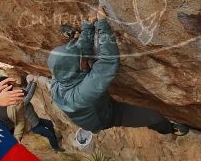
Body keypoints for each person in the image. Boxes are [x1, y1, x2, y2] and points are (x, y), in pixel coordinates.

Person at [48, 8, 189, 139]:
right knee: (154, 117)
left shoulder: (60, 76)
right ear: (76, 68)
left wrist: (89, 25)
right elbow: (108, 61)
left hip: (95, 105)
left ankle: (74, 36)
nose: (82, 58)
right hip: (107, 117)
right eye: (80, 60)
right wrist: (102, 24)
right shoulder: (80, 96)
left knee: (85, 56)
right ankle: (169, 128)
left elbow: (82, 52)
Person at [0, 76, 63, 152]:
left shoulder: (22, 98)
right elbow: (30, 94)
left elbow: (26, 91)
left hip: (37, 120)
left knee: (49, 123)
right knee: (49, 134)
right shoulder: (23, 103)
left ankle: (55, 139)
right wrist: (35, 83)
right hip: (33, 125)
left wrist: (30, 82)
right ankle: (55, 148)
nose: (24, 94)